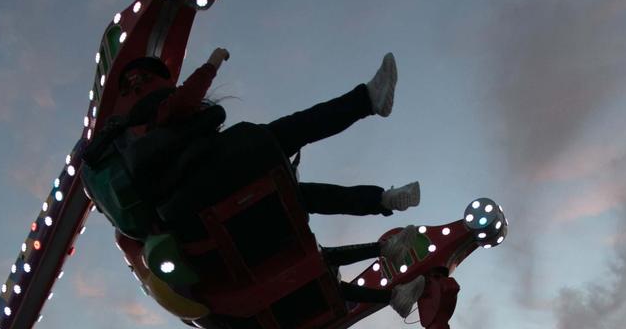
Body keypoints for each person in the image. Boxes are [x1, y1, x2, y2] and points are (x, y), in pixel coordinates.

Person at [97, 48, 425, 309]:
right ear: (142, 82)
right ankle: (367, 102)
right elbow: (182, 101)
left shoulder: (126, 149)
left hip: (203, 225)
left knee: (297, 194)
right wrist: (212, 62)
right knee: (286, 133)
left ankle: (383, 206)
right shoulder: (147, 117)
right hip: (211, 189)